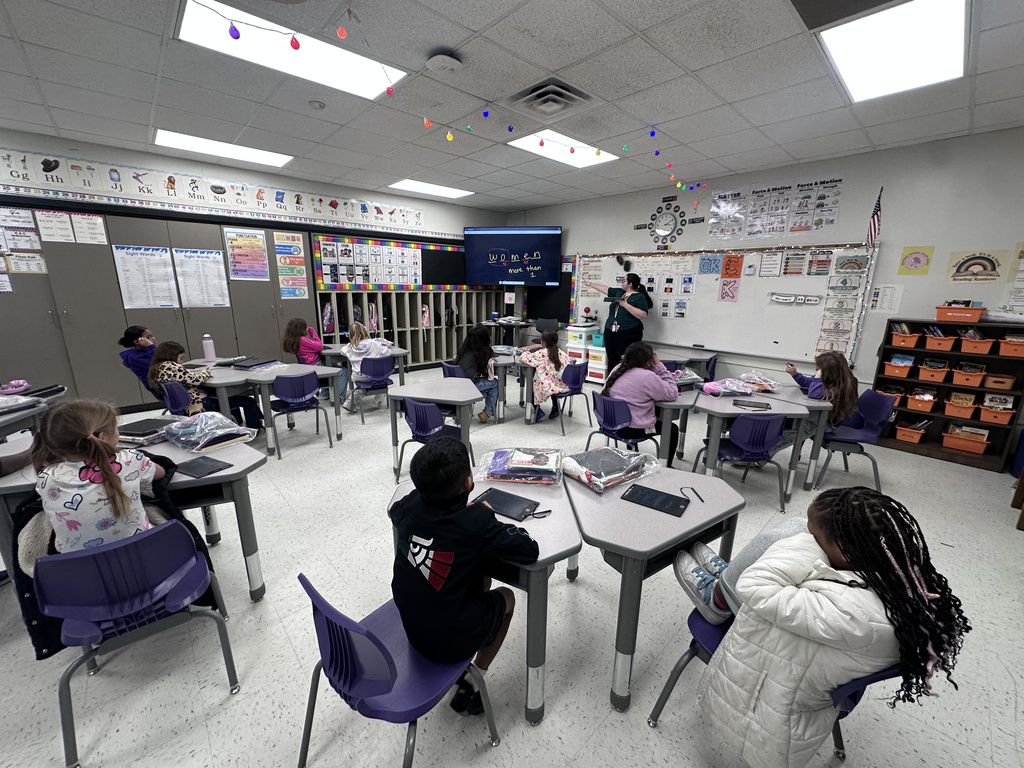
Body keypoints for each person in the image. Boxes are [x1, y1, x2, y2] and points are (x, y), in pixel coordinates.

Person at [675, 487, 970, 768]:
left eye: (815, 538)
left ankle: (718, 598)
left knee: (787, 534)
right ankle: (725, 578)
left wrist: (799, 539)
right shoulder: (902, 573)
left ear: (846, 550)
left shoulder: (854, 615)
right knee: (791, 527)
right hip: (816, 654)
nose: (809, 536)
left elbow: (754, 586)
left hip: (781, 690)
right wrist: (808, 534)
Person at [388, 436, 539, 715]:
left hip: (412, 625)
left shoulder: (410, 504)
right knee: (507, 597)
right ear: (469, 483)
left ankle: (471, 644)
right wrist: (486, 515)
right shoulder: (477, 522)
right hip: (448, 641)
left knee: (478, 573)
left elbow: (396, 512)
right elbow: (529, 550)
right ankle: (475, 676)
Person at [32, 400, 165, 553]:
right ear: (102, 437)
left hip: (84, 572)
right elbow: (159, 472)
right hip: (145, 559)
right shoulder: (130, 460)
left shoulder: (46, 477)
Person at [147, 341, 264, 433]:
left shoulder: (157, 367)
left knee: (231, 398)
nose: (182, 362)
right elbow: (196, 379)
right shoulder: (171, 366)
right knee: (248, 401)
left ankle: (237, 423)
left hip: (185, 405)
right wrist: (205, 372)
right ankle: (256, 429)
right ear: (170, 356)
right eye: (181, 358)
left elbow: (185, 377)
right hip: (200, 403)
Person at [603, 341, 680, 466]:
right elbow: (672, 393)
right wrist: (659, 366)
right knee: (672, 428)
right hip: (633, 430)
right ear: (649, 361)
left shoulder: (617, 368)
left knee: (635, 410)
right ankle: (667, 466)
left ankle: (633, 451)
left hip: (609, 424)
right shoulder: (648, 376)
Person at [583, 272, 653, 371]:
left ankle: (625, 382)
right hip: (610, 330)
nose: (622, 283)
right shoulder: (619, 292)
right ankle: (612, 382)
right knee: (612, 359)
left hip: (628, 332)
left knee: (628, 360)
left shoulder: (639, 297)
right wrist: (590, 284)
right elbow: (605, 289)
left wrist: (624, 304)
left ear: (630, 284)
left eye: (624, 281)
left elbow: (642, 315)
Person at [785, 350, 858, 426]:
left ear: (828, 371)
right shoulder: (829, 378)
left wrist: (818, 376)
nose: (817, 373)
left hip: (827, 423)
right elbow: (809, 382)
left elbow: (814, 394)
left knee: (790, 427)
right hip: (818, 418)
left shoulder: (838, 387)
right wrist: (795, 374)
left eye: (818, 370)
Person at [518, 329, 570, 423]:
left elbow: (523, 357)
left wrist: (528, 351)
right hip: (563, 386)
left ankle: (537, 410)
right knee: (553, 379)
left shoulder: (541, 354)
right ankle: (556, 407)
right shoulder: (562, 353)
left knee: (533, 384)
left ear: (544, 343)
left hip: (546, 387)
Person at [340, 322, 391, 412]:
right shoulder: (374, 344)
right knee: (382, 379)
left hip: (358, 377)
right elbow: (387, 353)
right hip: (376, 376)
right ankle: (378, 400)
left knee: (361, 386)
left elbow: (342, 351)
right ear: (364, 331)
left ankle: (350, 400)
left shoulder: (349, 347)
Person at [455, 325, 498, 424]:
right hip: (472, 385)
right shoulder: (484, 351)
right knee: (495, 383)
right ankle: (487, 413)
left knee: (489, 383)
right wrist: (489, 345)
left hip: (459, 384)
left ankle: (485, 412)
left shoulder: (463, 351)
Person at [283, 317, 333, 399]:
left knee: (329, 365)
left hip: (308, 365)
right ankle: (339, 398)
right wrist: (312, 332)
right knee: (342, 372)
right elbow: (319, 346)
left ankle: (325, 395)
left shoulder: (293, 340)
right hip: (315, 365)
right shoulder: (302, 340)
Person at [117, 325, 159, 397]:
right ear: (137, 341)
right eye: (148, 337)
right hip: (160, 389)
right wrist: (151, 347)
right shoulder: (133, 357)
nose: (153, 338)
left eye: (152, 336)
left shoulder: (148, 351)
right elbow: (161, 365)